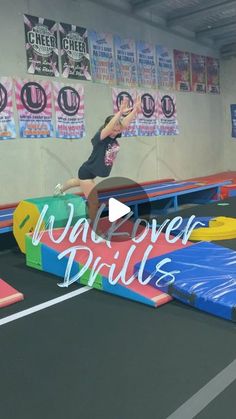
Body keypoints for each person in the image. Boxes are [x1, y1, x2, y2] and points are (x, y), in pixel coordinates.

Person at [54, 96, 141, 229]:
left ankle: (59, 189)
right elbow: (112, 125)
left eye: (119, 127)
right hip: (87, 173)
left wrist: (135, 110)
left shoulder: (114, 135)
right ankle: (94, 228)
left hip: (90, 171)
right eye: (114, 126)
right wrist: (119, 113)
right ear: (107, 126)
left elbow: (124, 124)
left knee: (76, 182)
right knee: (94, 203)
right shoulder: (100, 137)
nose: (117, 129)